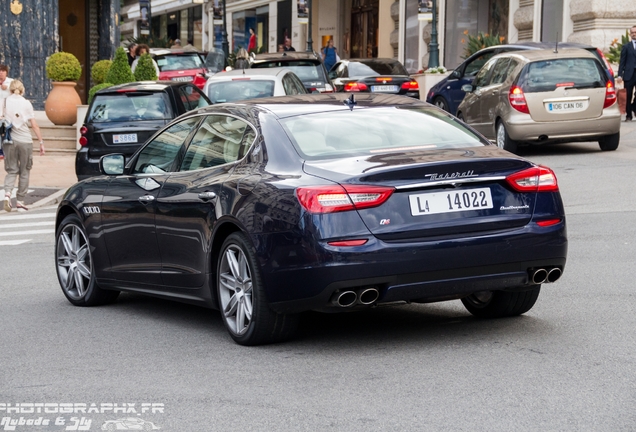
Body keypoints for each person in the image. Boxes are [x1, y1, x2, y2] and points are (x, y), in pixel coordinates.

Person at [2, 80, 44, 212]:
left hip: (9, 141)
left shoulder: (4, 101)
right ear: (22, 90)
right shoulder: (26, 103)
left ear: (10, 90)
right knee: (25, 171)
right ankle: (20, 201)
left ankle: (8, 194)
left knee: (11, 170)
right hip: (25, 141)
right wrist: (41, 142)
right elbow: (34, 125)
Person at [618, 25, 636, 121]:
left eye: (635, 32)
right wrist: (620, 74)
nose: (634, 34)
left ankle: (634, 106)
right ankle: (629, 115)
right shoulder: (626, 47)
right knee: (628, 95)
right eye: (632, 32)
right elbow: (622, 62)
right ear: (630, 34)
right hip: (629, 75)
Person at [0, 64, 13, 160]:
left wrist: (6, 87)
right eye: (0, 71)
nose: (1, 73)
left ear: (6, 72)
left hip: (8, 109)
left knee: (7, 129)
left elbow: (14, 90)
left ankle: (8, 150)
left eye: (3, 71)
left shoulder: (11, 82)